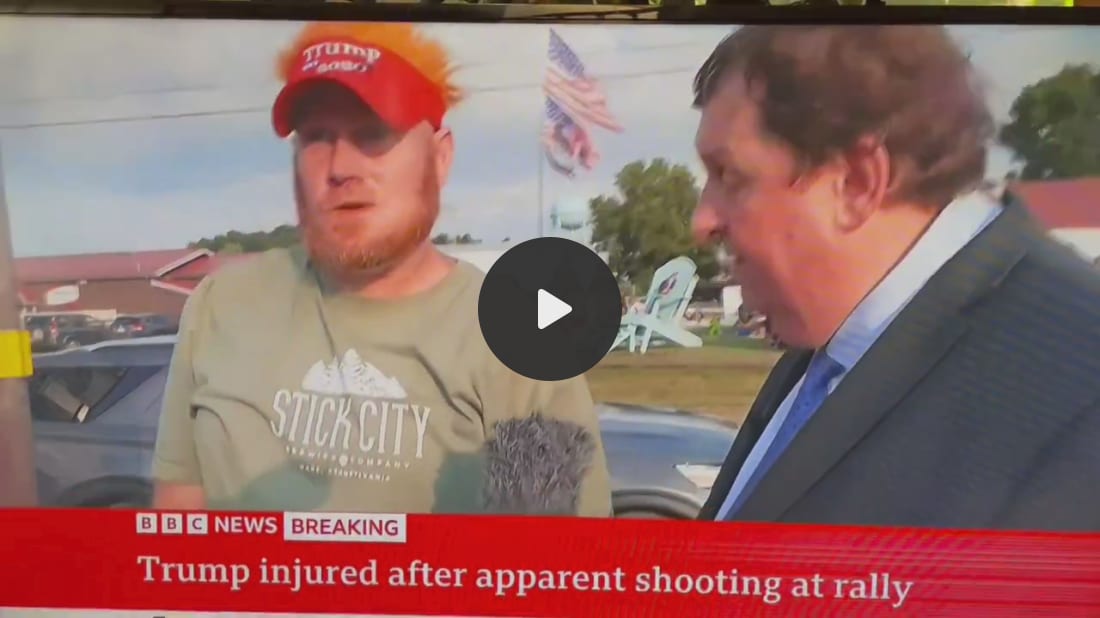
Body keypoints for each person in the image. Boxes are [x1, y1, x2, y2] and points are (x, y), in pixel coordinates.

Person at [151, 22, 612, 515]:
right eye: (316, 137)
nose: (340, 167)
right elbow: (176, 528)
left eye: (373, 133)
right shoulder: (221, 307)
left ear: (440, 157)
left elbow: (561, 557)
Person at [691, 25, 1100, 531]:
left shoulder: (1078, 387)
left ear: (857, 182)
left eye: (729, 175)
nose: (702, 222)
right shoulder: (828, 336)